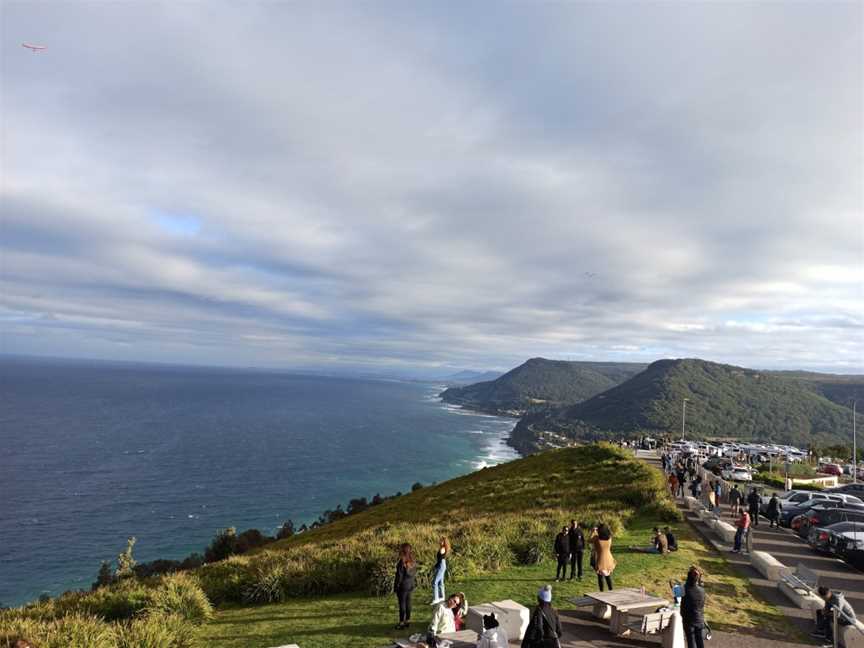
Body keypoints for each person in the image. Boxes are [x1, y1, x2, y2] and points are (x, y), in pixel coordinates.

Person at [681, 565, 706, 648]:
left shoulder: (684, 589)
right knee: (700, 641)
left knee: (691, 641)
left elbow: (677, 600)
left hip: (688, 620)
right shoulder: (702, 591)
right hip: (700, 618)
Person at [393, 543, 417, 629]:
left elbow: (399, 576)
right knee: (408, 603)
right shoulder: (413, 561)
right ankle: (408, 620)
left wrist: (396, 587)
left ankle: (401, 622)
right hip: (411, 585)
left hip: (403, 586)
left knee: (402, 604)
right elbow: (414, 573)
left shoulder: (402, 562)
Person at [592, 523, 616, 591]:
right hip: (609, 558)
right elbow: (609, 533)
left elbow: (589, 540)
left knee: (600, 577)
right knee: (608, 576)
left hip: (601, 559)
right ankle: (611, 590)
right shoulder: (609, 538)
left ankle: (601, 592)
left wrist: (593, 532)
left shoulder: (596, 539)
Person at [432, 537, 450, 603]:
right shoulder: (444, 548)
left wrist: (436, 565)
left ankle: (436, 599)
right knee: (440, 582)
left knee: (435, 582)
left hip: (441, 565)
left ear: (444, 542)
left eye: (441, 541)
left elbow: (440, 559)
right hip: (442, 564)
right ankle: (442, 597)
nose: (440, 542)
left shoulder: (442, 549)